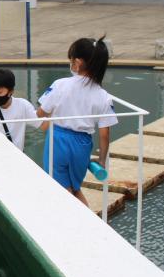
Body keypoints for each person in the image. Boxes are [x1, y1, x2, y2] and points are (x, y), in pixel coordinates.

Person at [37, 37, 117, 207]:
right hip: (83, 144)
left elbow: (40, 112)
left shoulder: (60, 85)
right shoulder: (103, 96)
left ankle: (82, 222)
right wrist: (102, 160)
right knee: (74, 189)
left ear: (78, 62)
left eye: (71, 59)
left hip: (58, 140)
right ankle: (90, 220)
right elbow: (105, 133)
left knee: (62, 191)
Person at [0, 69, 41, 152]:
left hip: (14, 155)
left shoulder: (22, 105)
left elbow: (42, 124)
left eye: (0, 93)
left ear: (11, 91)